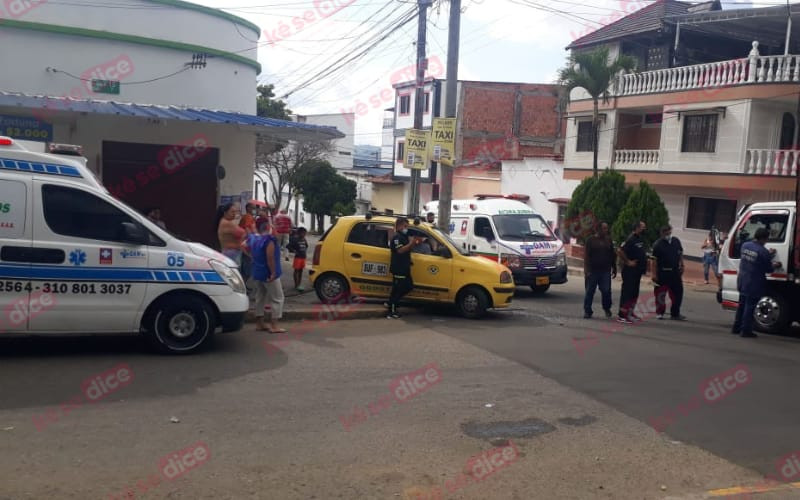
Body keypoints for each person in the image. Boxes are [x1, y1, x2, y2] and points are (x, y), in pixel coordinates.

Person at [732, 227, 781, 338]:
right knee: (750, 307)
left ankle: (736, 327)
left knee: (741, 305)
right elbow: (768, 269)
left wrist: (768, 254)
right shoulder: (763, 252)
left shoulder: (745, 245)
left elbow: (754, 257)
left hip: (742, 279)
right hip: (754, 282)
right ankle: (745, 330)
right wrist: (775, 264)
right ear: (764, 238)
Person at [248, 218, 286, 334]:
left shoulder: (254, 238)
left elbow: (243, 245)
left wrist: (253, 258)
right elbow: (270, 258)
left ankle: (259, 323)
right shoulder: (269, 240)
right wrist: (273, 272)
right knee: (278, 298)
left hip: (258, 271)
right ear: (267, 226)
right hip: (268, 273)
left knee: (260, 296)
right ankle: (274, 325)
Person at [387, 217, 423, 319]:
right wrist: (412, 242)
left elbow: (410, 247)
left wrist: (416, 241)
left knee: (409, 286)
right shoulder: (397, 238)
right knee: (397, 289)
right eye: (405, 226)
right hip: (399, 268)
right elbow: (400, 250)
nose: (406, 228)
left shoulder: (404, 237)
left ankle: (392, 302)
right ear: (399, 226)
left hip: (405, 267)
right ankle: (392, 310)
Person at [652, 225, 686, 321]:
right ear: (661, 233)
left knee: (678, 293)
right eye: (665, 233)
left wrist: (682, 265)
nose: (667, 234)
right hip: (662, 273)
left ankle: (675, 313)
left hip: (675, 272)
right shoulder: (657, 244)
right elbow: (653, 261)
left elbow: (680, 253)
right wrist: (654, 274)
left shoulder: (676, 241)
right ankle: (660, 312)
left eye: (669, 232)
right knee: (660, 294)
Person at [583, 222, 616, 319]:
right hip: (592, 271)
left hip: (605, 271)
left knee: (606, 291)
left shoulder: (608, 240)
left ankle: (607, 308)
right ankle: (587, 311)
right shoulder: (591, 240)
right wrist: (586, 270)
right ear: (598, 229)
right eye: (604, 228)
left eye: (607, 228)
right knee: (589, 291)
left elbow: (612, 254)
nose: (606, 230)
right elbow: (586, 256)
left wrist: (614, 267)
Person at [617, 220, 648, 324]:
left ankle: (630, 313)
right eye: (643, 227)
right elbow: (620, 250)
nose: (645, 229)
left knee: (634, 293)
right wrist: (628, 262)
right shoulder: (630, 239)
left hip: (637, 271)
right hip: (630, 271)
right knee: (627, 293)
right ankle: (622, 315)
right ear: (637, 228)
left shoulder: (639, 239)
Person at [287, 227, 308, 292]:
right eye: (303, 233)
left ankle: (299, 283)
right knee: (296, 271)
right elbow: (288, 246)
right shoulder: (295, 239)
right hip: (298, 257)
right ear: (299, 233)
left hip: (303, 257)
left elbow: (307, 246)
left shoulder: (304, 239)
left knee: (301, 270)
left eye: (305, 233)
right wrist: (294, 251)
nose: (304, 234)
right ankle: (296, 285)